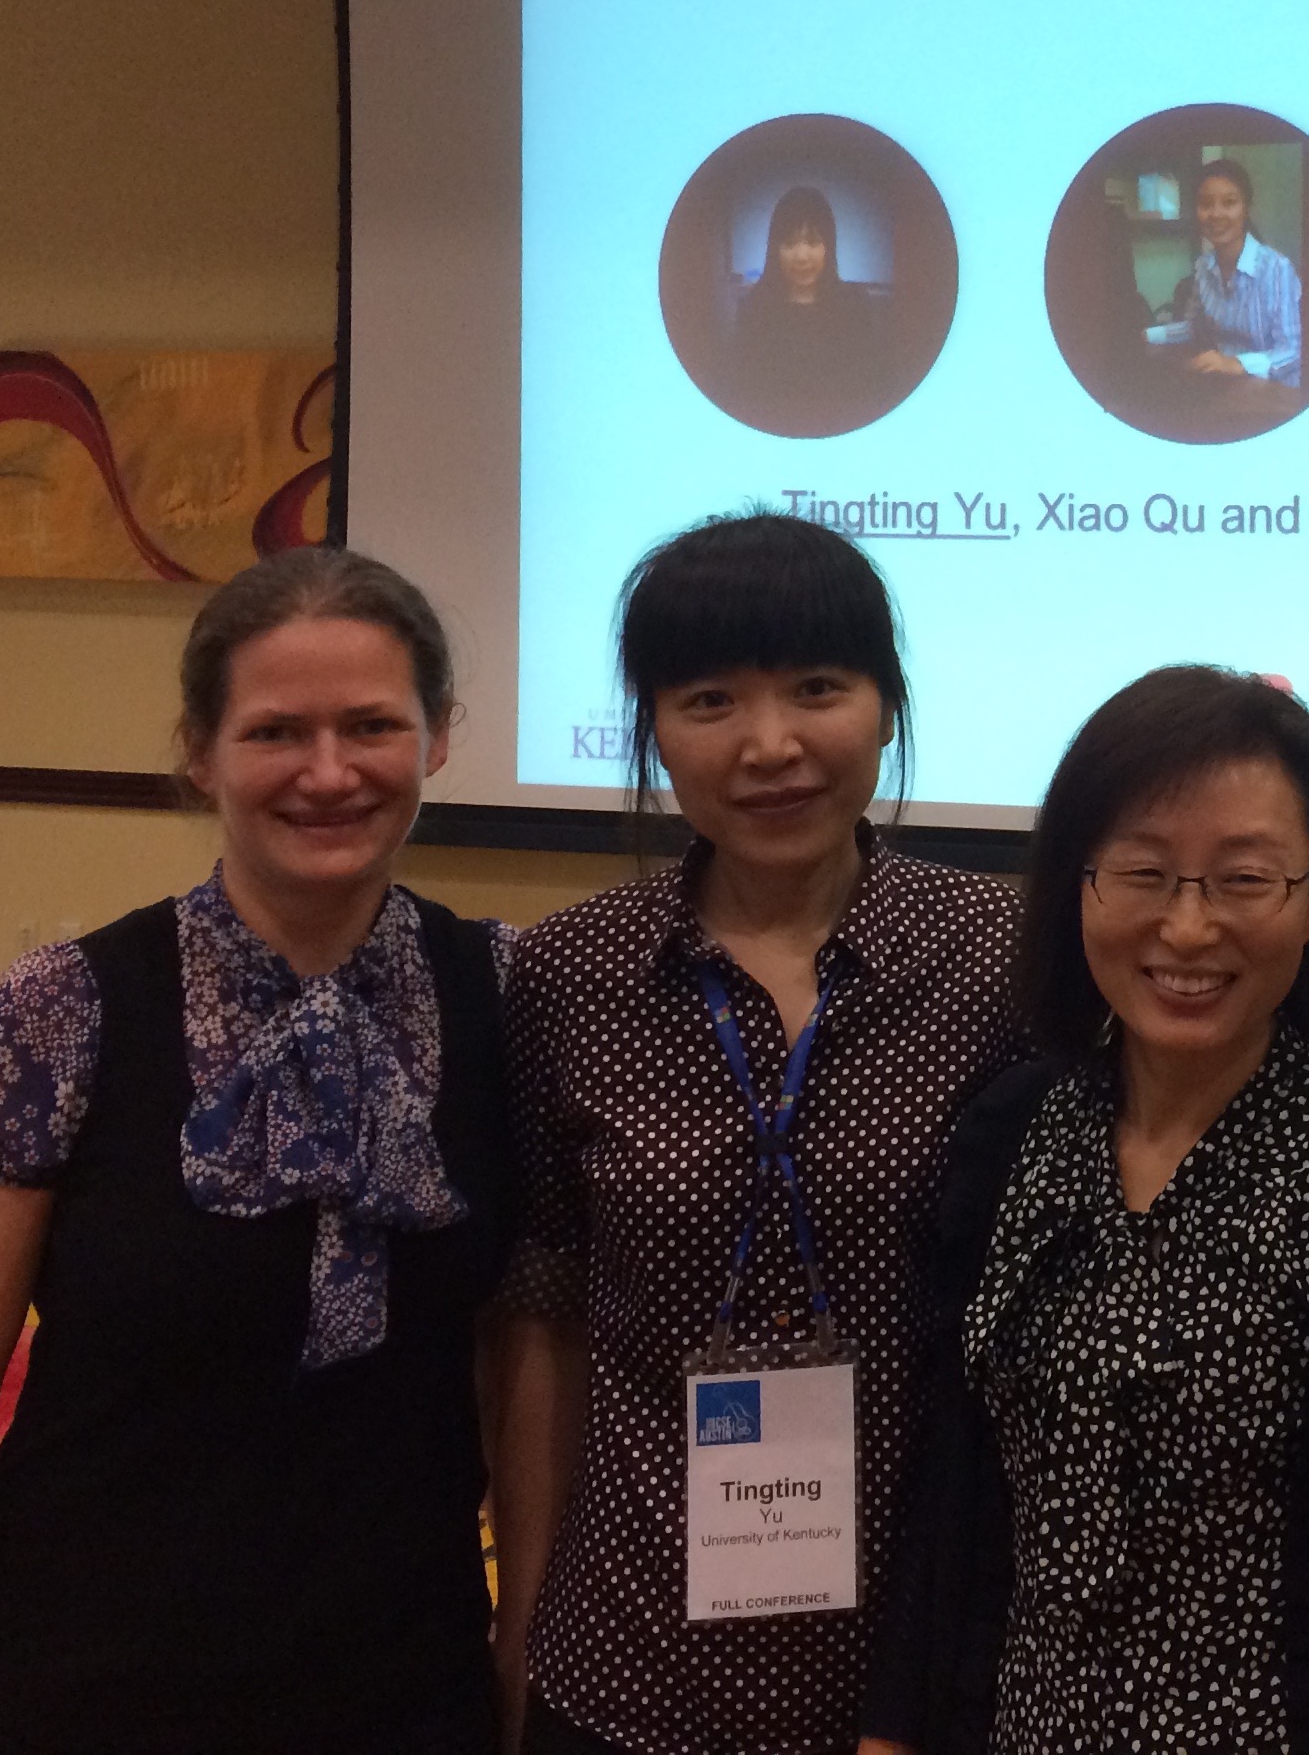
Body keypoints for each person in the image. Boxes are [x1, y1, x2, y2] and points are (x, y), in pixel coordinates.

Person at [0, 548, 513, 1755]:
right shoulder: (59, 1016)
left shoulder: (508, 999)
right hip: (90, 1688)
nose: (330, 771)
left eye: (372, 724)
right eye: (277, 732)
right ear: (198, 751)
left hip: (404, 1687)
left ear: (438, 738)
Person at [860, 667, 1309, 1755]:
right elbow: (956, 1490)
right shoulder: (1009, 1134)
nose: (1189, 928)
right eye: (1143, 873)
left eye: (1244, 879)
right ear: (1079, 885)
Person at [492, 512, 1021, 1755]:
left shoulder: (1001, 958)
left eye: (818, 688)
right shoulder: (571, 975)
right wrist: (522, 1617)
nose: (770, 744)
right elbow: (543, 1315)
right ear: (654, 729)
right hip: (630, 1656)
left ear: (886, 706)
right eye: (711, 700)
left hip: (914, 1665)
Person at [730, 186, 888, 435]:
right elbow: (742, 392)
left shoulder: (855, 305)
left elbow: (872, 387)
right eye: (789, 243)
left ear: (829, 247)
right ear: (774, 250)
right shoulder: (754, 309)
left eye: (813, 242)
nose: (801, 256)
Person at [1164, 157, 1302, 388]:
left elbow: (1293, 350)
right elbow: (1194, 327)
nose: (1216, 214)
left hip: (1274, 392)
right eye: (1206, 204)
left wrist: (1234, 364)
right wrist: (1148, 335)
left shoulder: (1276, 269)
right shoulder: (1204, 267)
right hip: (1225, 386)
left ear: (1246, 208)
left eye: (1229, 203)